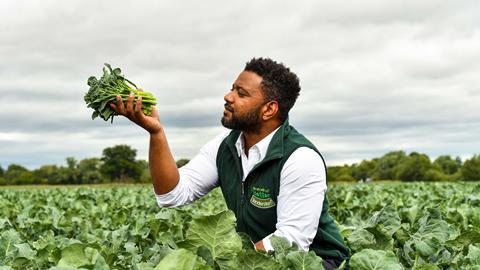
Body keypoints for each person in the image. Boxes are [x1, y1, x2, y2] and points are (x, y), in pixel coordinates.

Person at [110, 57, 349, 269]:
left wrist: (230, 263)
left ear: (269, 109)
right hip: (255, 262)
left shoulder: (300, 158)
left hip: (315, 262)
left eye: (241, 94)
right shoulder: (225, 146)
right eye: (232, 88)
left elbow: (291, 242)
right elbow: (172, 195)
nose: (228, 96)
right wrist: (156, 133)